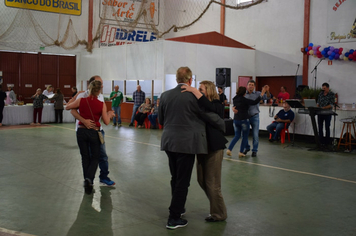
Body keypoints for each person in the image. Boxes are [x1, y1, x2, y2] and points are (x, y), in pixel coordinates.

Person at [158, 67, 224, 230]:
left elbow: (160, 119)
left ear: (176, 79)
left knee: (175, 178)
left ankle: (178, 209)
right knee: (182, 181)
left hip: (169, 142)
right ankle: (173, 217)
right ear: (190, 80)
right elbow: (212, 115)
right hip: (187, 144)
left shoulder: (165, 96)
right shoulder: (194, 97)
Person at [181, 81, 228, 222]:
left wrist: (194, 92)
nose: (198, 91)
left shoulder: (217, 104)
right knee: (201, 180)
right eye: (198, 89)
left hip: (214, 147)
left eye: (201, 89)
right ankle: (217, 207)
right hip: (201, 147)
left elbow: (210, 107)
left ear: (209, 90)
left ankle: (219, 213)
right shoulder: (200, 104)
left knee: (212, 183)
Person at [66, 80, 114, 194]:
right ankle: (89, 179)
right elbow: (106, 122)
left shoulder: (81, 100)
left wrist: (76, 96)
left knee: (85, 157)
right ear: (99, 91)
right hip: (94, 132)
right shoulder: (101, 104)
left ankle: (88, 182)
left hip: (81, 132)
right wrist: (110, 114)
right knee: (95, 157)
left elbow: (68, 107)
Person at [227, 86, 266, 157]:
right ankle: (241, 152)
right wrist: (262, 94)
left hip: (236, 120)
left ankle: (229, 149)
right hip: (244, 120)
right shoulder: (244, 100)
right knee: (245, 136)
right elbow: (254, 102)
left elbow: (234, 106)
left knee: (236, 136)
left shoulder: (234, 99)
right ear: (244, 93)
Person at [243, 80, 262, 157]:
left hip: (255, 116)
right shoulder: (244, 94)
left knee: (255, 134)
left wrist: (266, 91)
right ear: (247, 86)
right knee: (244, 134)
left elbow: (268, 97)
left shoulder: (258, 94)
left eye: (252, 85)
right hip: (246, 117)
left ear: (254, 86)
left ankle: (254, 150)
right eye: (249, 84)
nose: (251, 86)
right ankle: (246, 147)